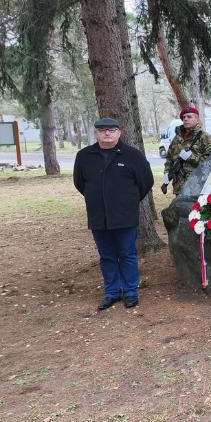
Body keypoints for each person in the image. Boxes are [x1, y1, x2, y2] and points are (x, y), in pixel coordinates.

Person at [73, 118, 154, 310]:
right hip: (98, 216)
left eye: (111, 130)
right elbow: (80, 183)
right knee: (107, 256)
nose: (107, 133)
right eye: (102, 130)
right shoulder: (84, 156)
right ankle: (112, 292)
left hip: (125, 216)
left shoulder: (133, 155)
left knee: (127, 254)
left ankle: (130, 292)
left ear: (119, 133)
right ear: (96, 133)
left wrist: (128, 200)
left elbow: (145, 182)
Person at [162, 106, 211, 195]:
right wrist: (167, 172)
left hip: (197, 186)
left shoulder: (205, 137)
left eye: (189, 117)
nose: (185, 119)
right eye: (184, 117)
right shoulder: (177, 138)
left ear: (197, 119)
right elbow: (169, 158)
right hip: (179, 186)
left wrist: (191, 157)